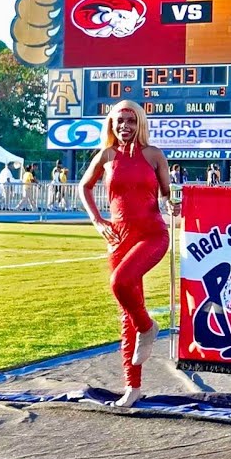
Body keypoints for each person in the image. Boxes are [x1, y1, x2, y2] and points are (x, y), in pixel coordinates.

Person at [79, 100, 177, 407]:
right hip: (118, 238)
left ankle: (148, 328)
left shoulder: (154, 155)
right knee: (126, 315)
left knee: (120, 283)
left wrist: (174, 203)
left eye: (131, 120)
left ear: (141, 123)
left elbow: (167, 194)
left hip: (152, 235)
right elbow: (85, 186)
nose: (125, 126)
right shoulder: (106, 156)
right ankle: (132, 387)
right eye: (120, 120)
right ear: (111, 123)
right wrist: (97, 221)